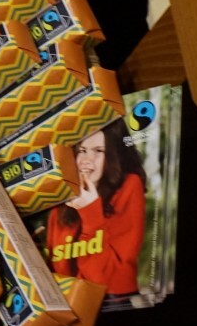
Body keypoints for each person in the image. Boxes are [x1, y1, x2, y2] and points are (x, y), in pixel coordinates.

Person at [45, 119, 147, 301]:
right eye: (81, 150)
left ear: (113, 155)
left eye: (99, 151)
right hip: (70, 301)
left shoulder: (129, 186)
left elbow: (102, 279)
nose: (86, 160)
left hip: (112, 299)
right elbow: (57, 271)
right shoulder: (60, 202)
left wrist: (90, 213)